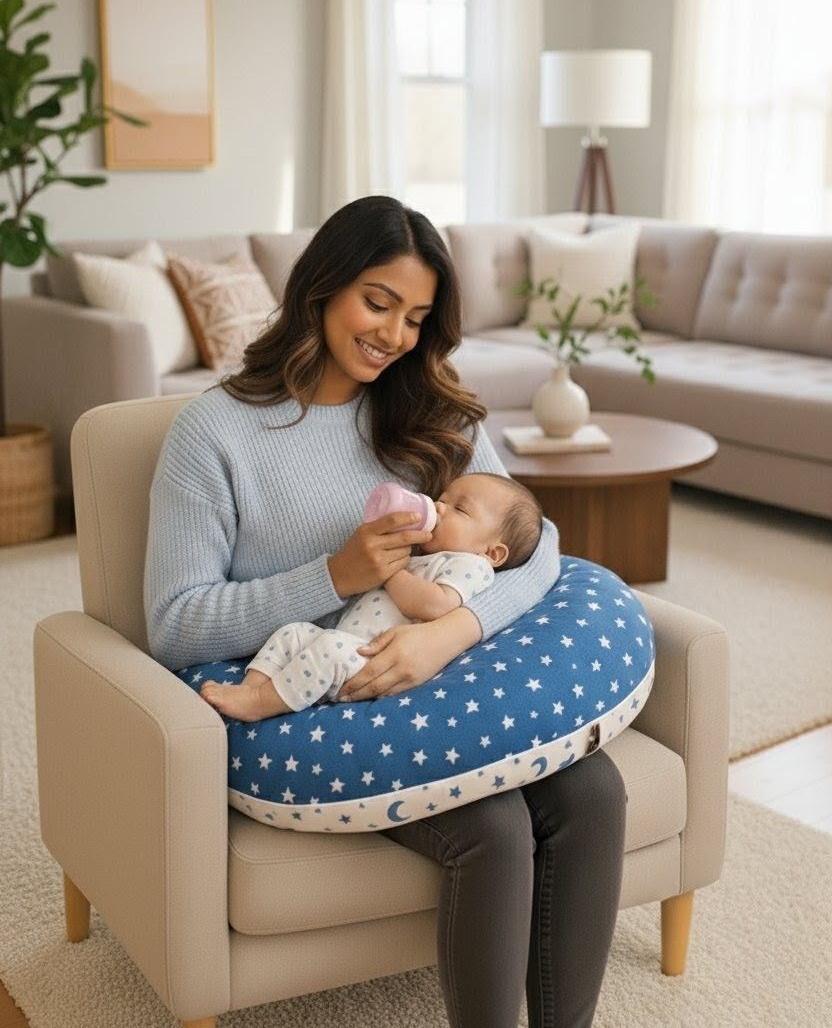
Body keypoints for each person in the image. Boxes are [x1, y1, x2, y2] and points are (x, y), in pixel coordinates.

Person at [144, 195, 627, 1028]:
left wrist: (449, 633)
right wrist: (331, 575)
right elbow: (175, 624)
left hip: (443, 669)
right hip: (324, 698)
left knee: (596, 794)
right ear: (321, 286)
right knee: (496, 831)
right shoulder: (213, 433)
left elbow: (535, 541)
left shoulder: (430, 407)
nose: (395, 335)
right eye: (377, 302)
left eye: (417, 316)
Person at [198, 470, 542, 721]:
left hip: (374, 659)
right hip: (350, 640)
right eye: (443, 498)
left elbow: (434, 604)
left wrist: (389, 568)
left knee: (327, 650)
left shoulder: (471, 565)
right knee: (294, 633)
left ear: (494, 553)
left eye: (459, 509)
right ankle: (252, 687)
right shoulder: (427, 554)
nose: (439, 506)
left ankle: (262, 702)